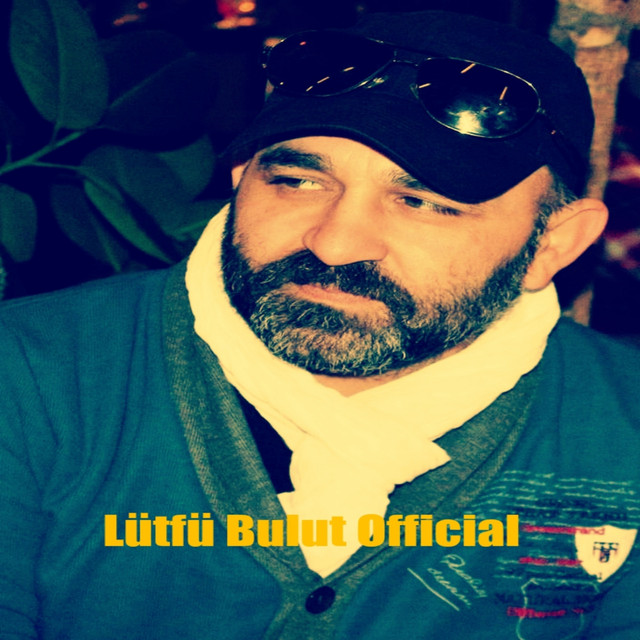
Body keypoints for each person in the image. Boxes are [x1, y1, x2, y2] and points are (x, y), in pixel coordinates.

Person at [1, 9, 639, 640]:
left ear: (553, 244)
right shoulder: (33, 374)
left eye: (421, 202)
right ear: (241, 179)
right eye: (298, 181)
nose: (334, 244)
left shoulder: (621, 432)